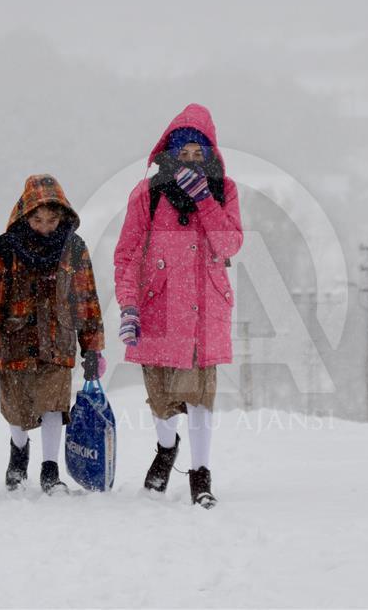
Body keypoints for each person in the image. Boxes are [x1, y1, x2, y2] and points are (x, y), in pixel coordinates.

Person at [113, 104, 243, 508]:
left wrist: (204, 200)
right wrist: (129, 306)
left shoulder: (223, 190)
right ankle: (166, 449)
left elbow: (230, 244)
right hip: (158, 307)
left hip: (204, 309)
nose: (189, 160)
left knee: (199, 396)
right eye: (182, 152)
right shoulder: (148, 193)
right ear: (169, 153)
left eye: (197, 153)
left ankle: (201, 474)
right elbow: (127, 255)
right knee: (162, 400)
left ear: (209, 154)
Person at [0, 174, 105, 493]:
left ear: (62, 216)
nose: (45, 227)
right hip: (15, 340)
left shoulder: (74, 249)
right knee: (17, 410)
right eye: (38, 220)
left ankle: (50, 470)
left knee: (54, 404)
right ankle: (19, 449)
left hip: (58, 340)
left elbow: (86, 300)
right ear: (25, 215)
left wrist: (92, 347)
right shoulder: (4, 249)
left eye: (52, 220)